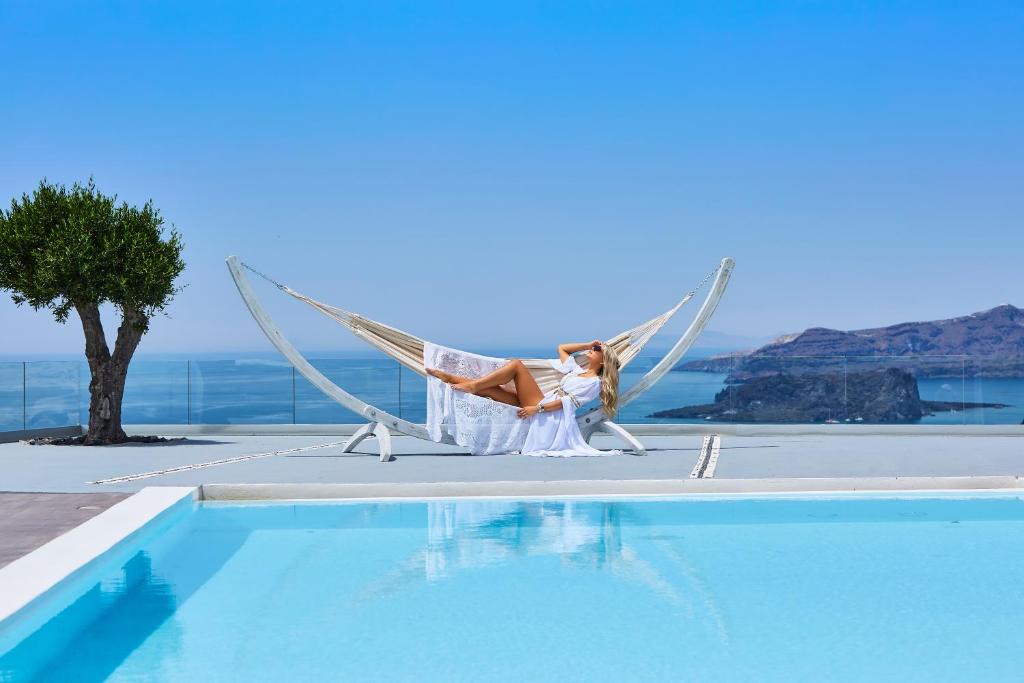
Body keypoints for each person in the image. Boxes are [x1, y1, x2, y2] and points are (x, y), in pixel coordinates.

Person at [425, 341, 621, 457]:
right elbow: (562, 348)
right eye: (594, 347)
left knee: (517, 366)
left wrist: (538, 410)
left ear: (603, 361)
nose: (592, 350)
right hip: (542, 403)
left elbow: (566, 403)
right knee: (492, 391)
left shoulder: (594, 383)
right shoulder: (577, 370)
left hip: (547, 414)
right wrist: (589, 344)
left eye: (597, 350)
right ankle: (451, 379)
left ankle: (472, 385)